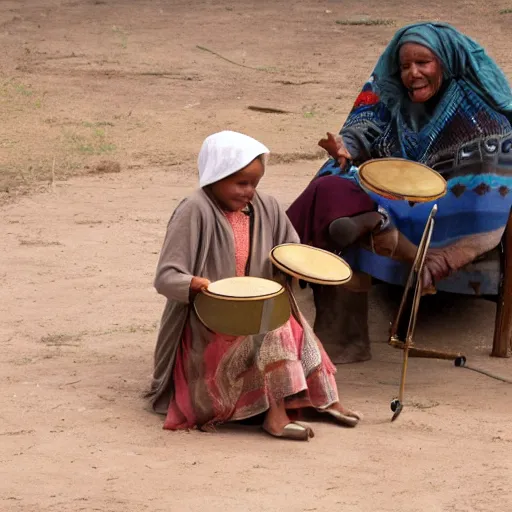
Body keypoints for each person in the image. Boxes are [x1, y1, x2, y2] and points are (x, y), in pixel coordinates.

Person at [286, 22, 512, 363]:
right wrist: (346, 147)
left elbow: (489, 179)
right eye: (406, 65)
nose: (412, 73)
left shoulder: (478, 108)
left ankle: (394, 236)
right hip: (387, 189)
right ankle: (370, 223)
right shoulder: (389, 89)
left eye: (423, 64)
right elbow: (363, 126)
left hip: (448, 201)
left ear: (445, 63)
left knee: (344, 206)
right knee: (327, 185)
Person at [146, 130, 361, 441]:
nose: (249, 191)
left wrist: (302, 269)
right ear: (214, 176)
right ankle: (275, 416)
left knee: (293, 326)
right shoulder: (193, 210)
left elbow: (291, 250)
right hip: (209, 320)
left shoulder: (267, 207)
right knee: (273, 328)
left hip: (258, 309)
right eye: (241, 183)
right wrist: (196, 284)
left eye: (255, 184)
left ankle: (324, 399)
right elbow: (166, 277)